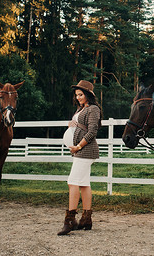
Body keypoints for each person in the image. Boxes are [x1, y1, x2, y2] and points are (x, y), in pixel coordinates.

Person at [58, 80, 102, 236]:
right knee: (83, 184)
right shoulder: (81, 109)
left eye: (81, 94)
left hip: (85, 149)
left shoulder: (94, 109)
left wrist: (78, 146)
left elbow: (92, 133)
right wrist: (72, 125)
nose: (78, 97)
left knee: (72, 182)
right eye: (77, 95)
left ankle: (70, 220)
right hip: (80, 150)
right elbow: (79, 126)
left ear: (88, 94)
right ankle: (86, 219)